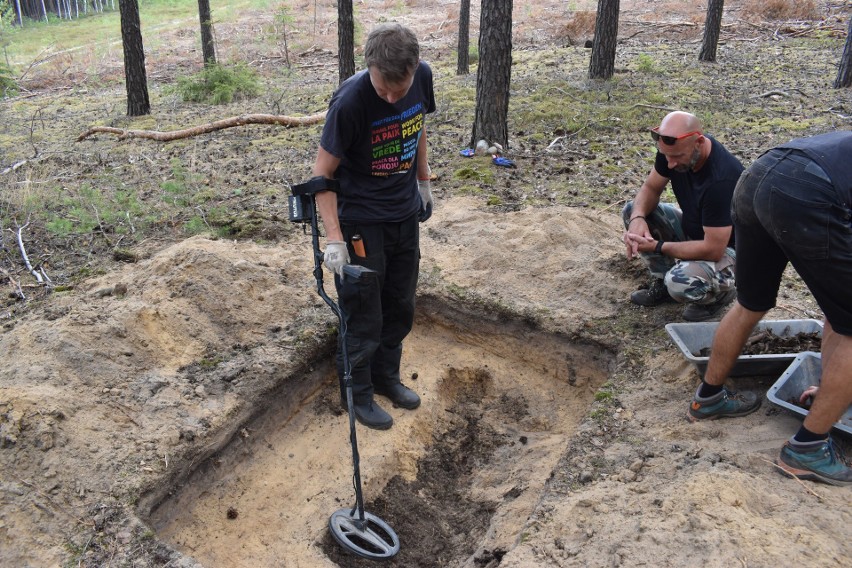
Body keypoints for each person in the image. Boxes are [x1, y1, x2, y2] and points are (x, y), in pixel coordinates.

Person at [686, 131, 852, 486]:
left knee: (751, 302)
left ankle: (709, 398)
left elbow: (836, 306)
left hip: (760, 174)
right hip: (809, 189)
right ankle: (807, 449)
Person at [311, 24, 436, 430]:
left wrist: (423, 181)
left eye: (399, 89)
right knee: (365, 309)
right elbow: (322, 175)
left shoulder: (424, 78)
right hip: (361, 219)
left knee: (399, 304)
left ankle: (387, 377)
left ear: (415, 67)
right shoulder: (350, 101)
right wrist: (334, 239)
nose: (391, 98)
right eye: (384, 90)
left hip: (403, 213)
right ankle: (357, 392)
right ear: (370, 69)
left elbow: (415, 126)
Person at [623, 111, 744, 322]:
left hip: (732, 253)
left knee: (679, 282)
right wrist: (637, 220)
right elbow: (651, 188)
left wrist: (657, 246)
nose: (669, 163)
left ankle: (722, 293)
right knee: (633, 209)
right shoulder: (672, 149)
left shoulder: (722, 179)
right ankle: (662, 280)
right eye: (666, 156)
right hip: (697, 231)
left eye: (677, 157)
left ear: (698, 142)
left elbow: (713, 249)